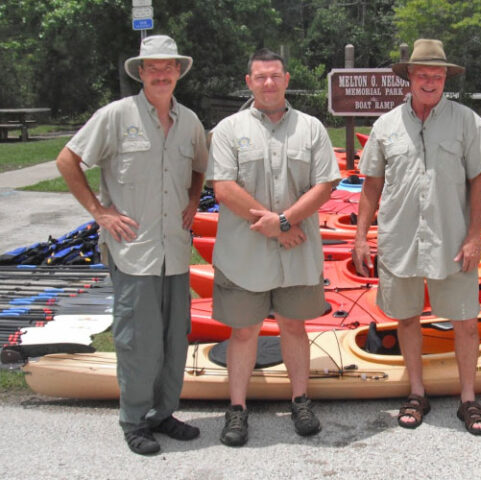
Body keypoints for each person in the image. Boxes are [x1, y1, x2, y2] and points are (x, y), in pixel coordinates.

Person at [55, 35, 208, 455]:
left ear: (178, 71)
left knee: (174, 338)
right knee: (137, 339)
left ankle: (163, 413)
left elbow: (199, 166)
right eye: (152, 67)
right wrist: (100, 212)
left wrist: (195, 199)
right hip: (132, 251)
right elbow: (67, 160)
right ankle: (134, 420)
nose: (161, 74)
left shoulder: (190, 121)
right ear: (141, 72)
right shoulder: (115, 116)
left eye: (168, 67)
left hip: (174, 250)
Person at [352, 39, 481, 436]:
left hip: (453, 241)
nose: (430, 81)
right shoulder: (385, 126)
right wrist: (361, 237)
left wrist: (473, 237)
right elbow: (370, 186)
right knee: (407, 318)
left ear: (445, 78)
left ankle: (468, 398)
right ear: (409, 78)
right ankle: (417, 392)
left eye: (437, 75)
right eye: (422, 75)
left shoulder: (467, 121)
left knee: (465, 321)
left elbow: (478, 181)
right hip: (400, 239)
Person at [207, 49, 340, 446]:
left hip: (297, 253)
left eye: (275, 76)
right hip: (243, 255)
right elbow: (224, 188)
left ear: (286, 79)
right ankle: (237, 409)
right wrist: (273, 226)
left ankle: (300, 400)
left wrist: (284, 222)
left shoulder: (312, 128)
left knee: (294, 327)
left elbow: (325, 184)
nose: (268, 83)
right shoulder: (228, 129)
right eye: (260, 76)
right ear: (248, 81)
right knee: (244, 332)